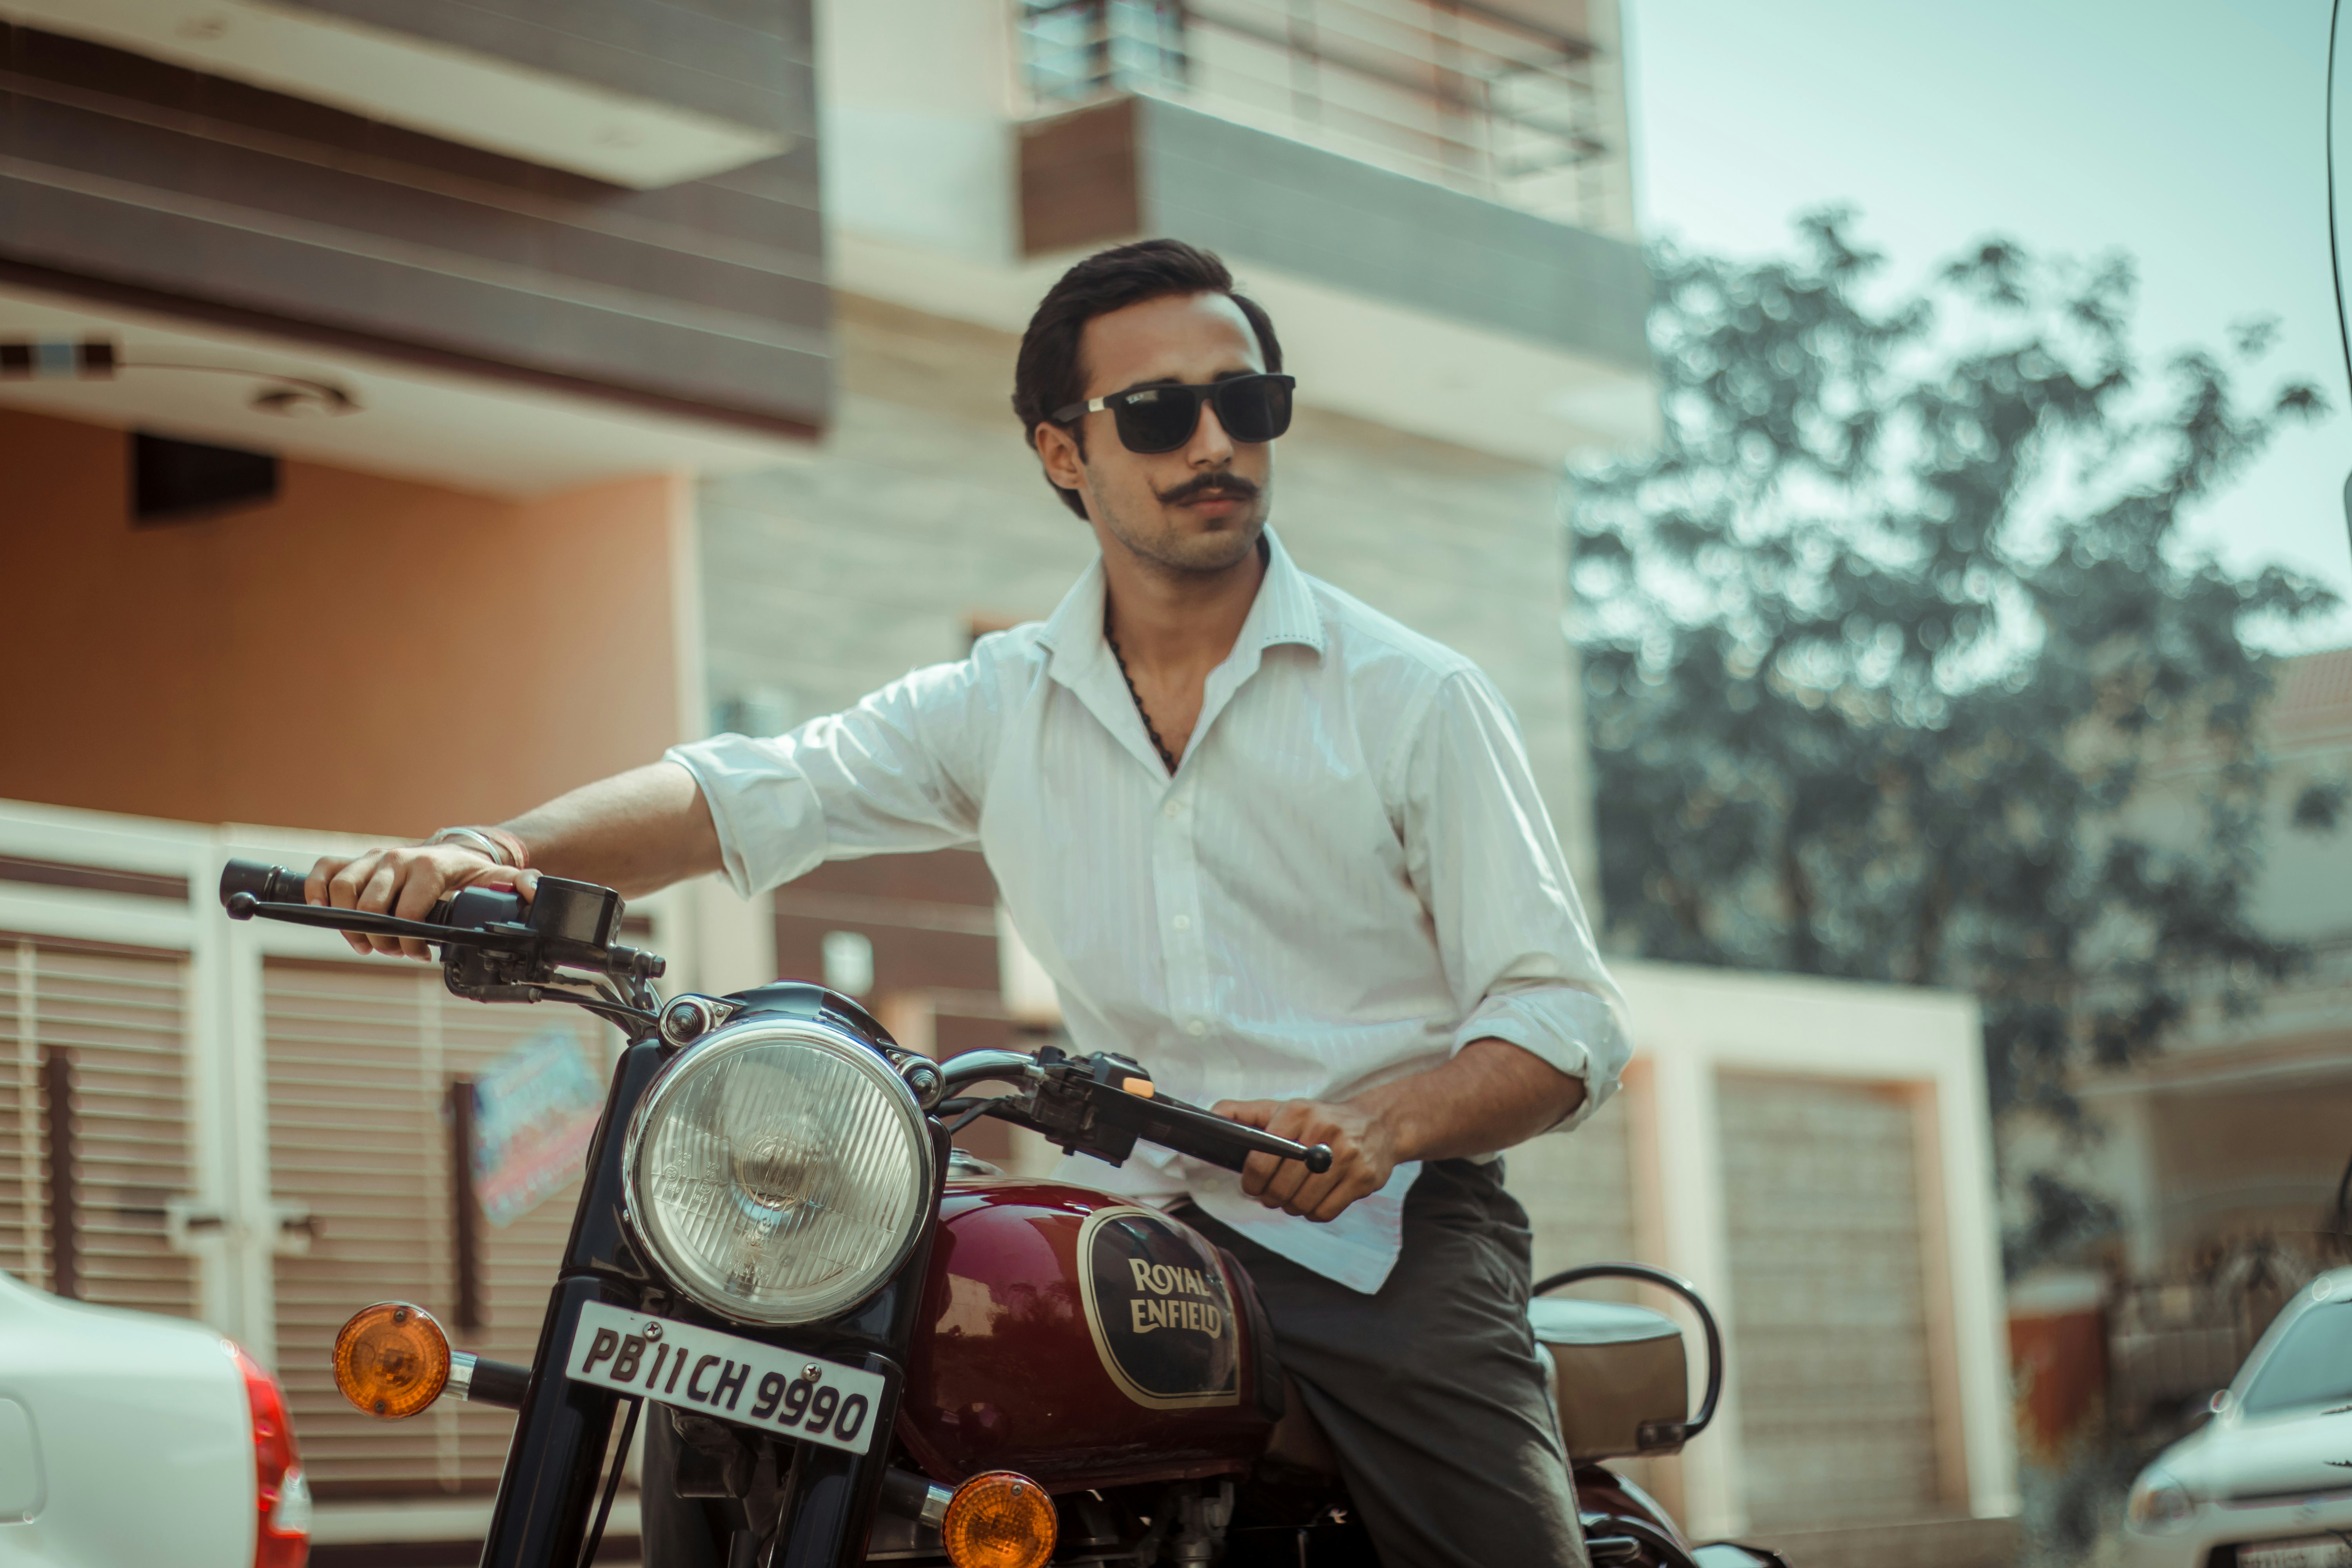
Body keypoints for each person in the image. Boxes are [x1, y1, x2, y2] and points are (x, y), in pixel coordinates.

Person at [309, 238, 1630, 1568]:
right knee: (761, 1357)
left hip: (1380, 1239)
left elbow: (1565, 1015)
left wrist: (1377, 1121)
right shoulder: (1004, 701)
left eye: (1249, 402)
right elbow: (754, 792)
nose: (1216, 441)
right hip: (1139, 1229)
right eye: (1162, 414)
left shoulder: (1413, 698)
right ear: (1064, 454)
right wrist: (498, 847)